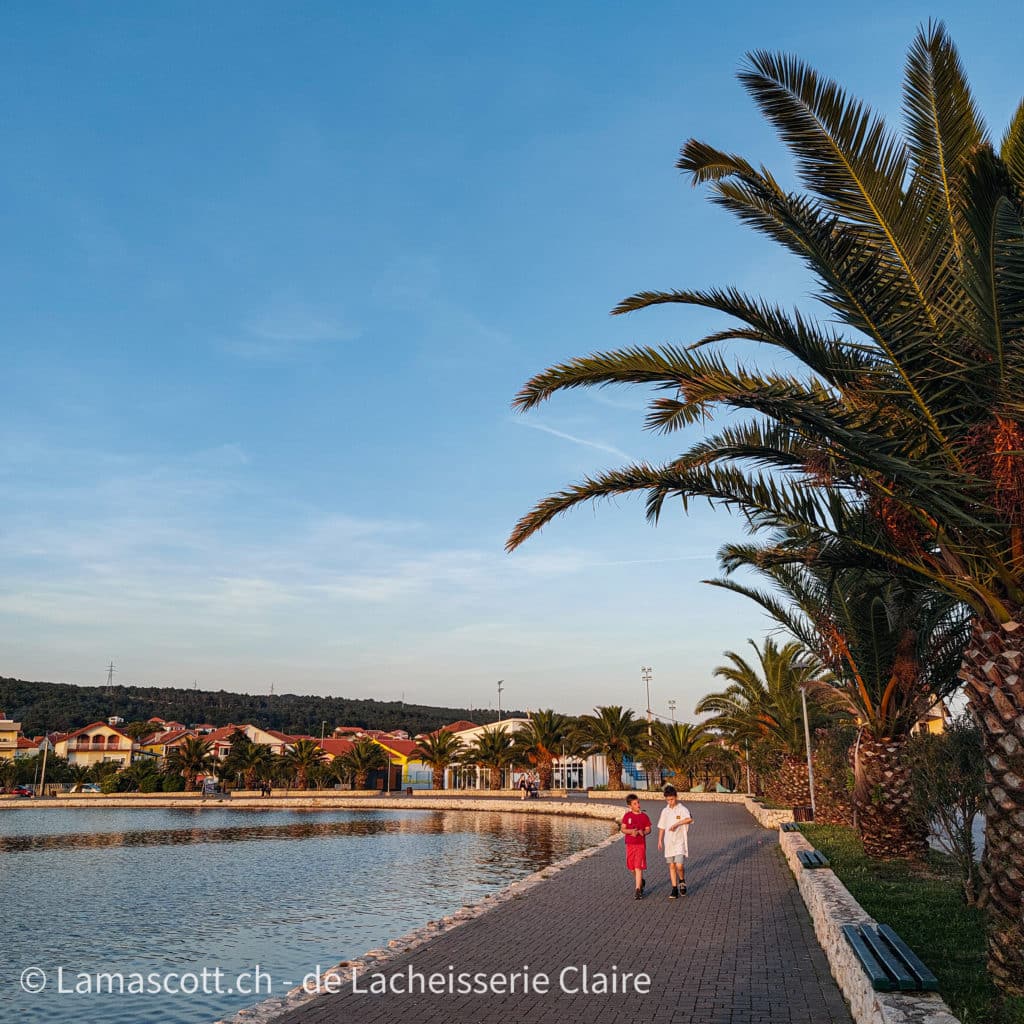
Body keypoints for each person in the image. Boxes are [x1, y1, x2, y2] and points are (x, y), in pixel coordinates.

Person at [657, 784, 694, 899]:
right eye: (668, 800)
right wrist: (659, 840)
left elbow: (689, 819)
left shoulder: (682, 809)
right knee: (672, 865)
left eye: (672, 799)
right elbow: (662, 826)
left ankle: (682, 880)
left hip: (679, 841)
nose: (670, 802)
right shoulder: (665, 811)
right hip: (668, 842)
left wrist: (677, 824)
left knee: (679, 865)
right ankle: (674, 888)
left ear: (676, 797)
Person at [621, 793, 652, 899]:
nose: (638, 805)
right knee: (632, 868)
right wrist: (630, 831)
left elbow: (648, 829)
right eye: (635, 803)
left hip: (640, 845)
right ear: (630, 806)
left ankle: (638, 890)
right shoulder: (627, 816)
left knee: (638, 867)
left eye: (638, 802)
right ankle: (641, 881)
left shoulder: (644, 816)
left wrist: (643, 832)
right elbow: (623, 829)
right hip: (629, 844)